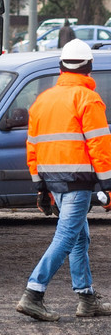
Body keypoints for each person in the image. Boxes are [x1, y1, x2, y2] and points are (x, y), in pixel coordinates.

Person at [16, 39, 111, 322]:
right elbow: (99, 145)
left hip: (55, 183)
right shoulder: (88, 99)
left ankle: (86, 298)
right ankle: (33, 293)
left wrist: (40, 188)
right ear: (89, 68)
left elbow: (32, 146)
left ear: (61, 68)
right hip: (78, 182)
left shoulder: (42, 100)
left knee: (80, 238)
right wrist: (108, 184)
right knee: (67, 237)